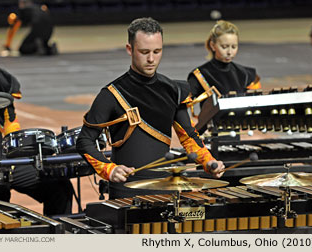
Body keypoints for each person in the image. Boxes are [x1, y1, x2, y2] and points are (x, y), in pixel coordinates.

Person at [76, 17, 225, 200]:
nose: (151, 59)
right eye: (144, 52)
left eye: (157, 51)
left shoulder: (174, 90)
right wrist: (109, 169)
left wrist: (208, 161)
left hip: (166, 190)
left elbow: (188, 136)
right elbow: (84, 141)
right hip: (126, 194)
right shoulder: (112, 94)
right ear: (129, 49)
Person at [0, 11, 72, 216]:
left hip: (6, 160)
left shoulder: (6, 80)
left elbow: (10, 121)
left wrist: (15, 150)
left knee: (60, 188)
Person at [187, 20, 261, 104]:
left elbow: (257, 103)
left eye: (234, 47)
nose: (229, 52)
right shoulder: (199, 75)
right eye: (224, 47)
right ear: (213, 45)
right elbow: (184, 104)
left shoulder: (248, 75)